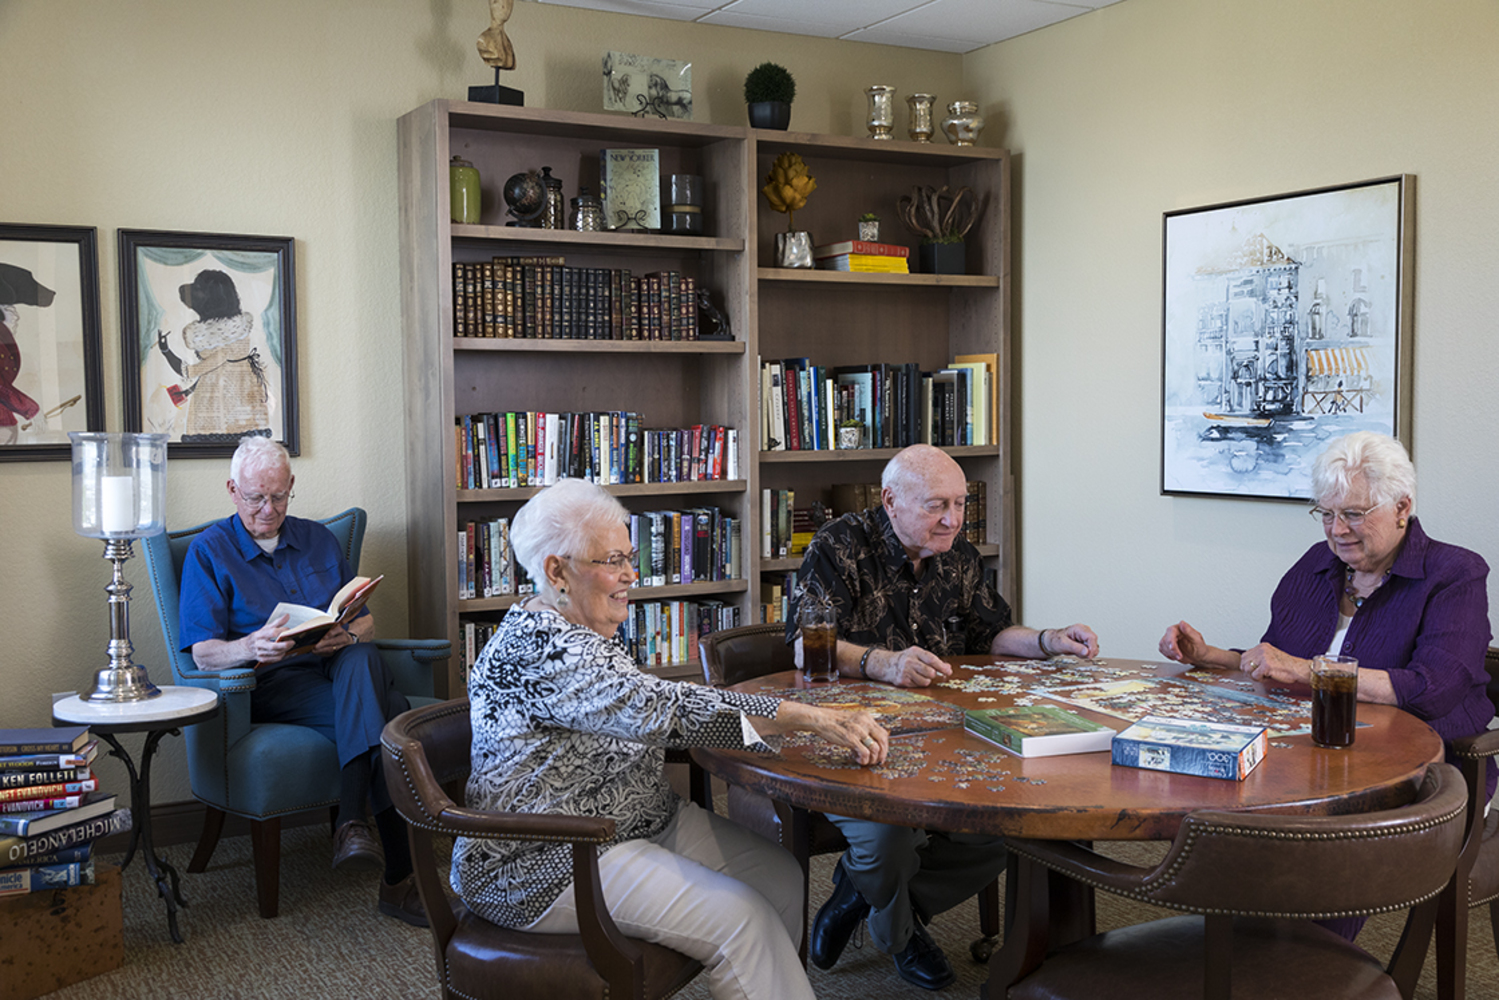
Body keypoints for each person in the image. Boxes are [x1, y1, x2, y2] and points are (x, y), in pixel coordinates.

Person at [453, 478, 890, 1000]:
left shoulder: (578, 623)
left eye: (630, 556)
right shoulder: (544, 649)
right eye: (612, 560)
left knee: (781, 879)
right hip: (551, 855)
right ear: (556, 570)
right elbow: (661, 709)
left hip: (639, 821)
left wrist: (784, 721)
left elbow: (646, 702)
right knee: (742, 921)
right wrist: (798, 716)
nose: (629, 576)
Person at [786, 443, 1099, 990]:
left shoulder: (959, 553)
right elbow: (803, 644)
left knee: (1017, 825)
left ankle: (857, 895)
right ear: (891, 500)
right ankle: (902, 935)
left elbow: (991, 633)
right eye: (937, 505)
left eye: (959, 503)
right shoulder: (839, 545)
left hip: (942, 734)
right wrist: (883, 663)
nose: (953, 519)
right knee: (889, 842)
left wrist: (1049, 640)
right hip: (851, 736)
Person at [1159, 431, 1494, 937]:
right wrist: (1210, 656)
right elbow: (1276, 661)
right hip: (1312, 754)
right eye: (1326, 513)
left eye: (1355, 514)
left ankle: (1307, 961)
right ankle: (1235, 946)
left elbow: (1436, 688)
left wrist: (1306, 670)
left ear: (1402, 507)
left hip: (1419, 767)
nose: (1338, 530)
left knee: (1315, 852)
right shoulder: (1315, 567)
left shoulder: (1453, 574)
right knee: (1208, 808)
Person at [177, 437, 424, 925]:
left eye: (279, 496)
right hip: (272, 684)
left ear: (292, 487)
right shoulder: (209, 551)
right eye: (255, 498)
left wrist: (345, 634)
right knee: (394, 719)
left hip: (335, 668)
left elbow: (365, 621)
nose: (268, 510)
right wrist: (250, 647)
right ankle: (399, 878)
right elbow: (203, 655)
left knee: (361, 656)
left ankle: (352, 821)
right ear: (232, 490)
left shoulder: (319, 539)